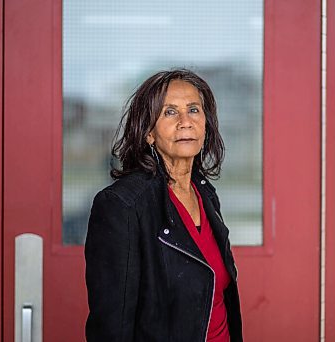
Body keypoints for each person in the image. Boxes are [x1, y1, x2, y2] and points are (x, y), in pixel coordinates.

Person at [85, 69, 243, 341]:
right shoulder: (122, 206)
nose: (185, 121)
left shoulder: (205, 194)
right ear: (148, 132)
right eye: (170, 112)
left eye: (194, 109)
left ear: (206, 124)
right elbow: (112, 328)